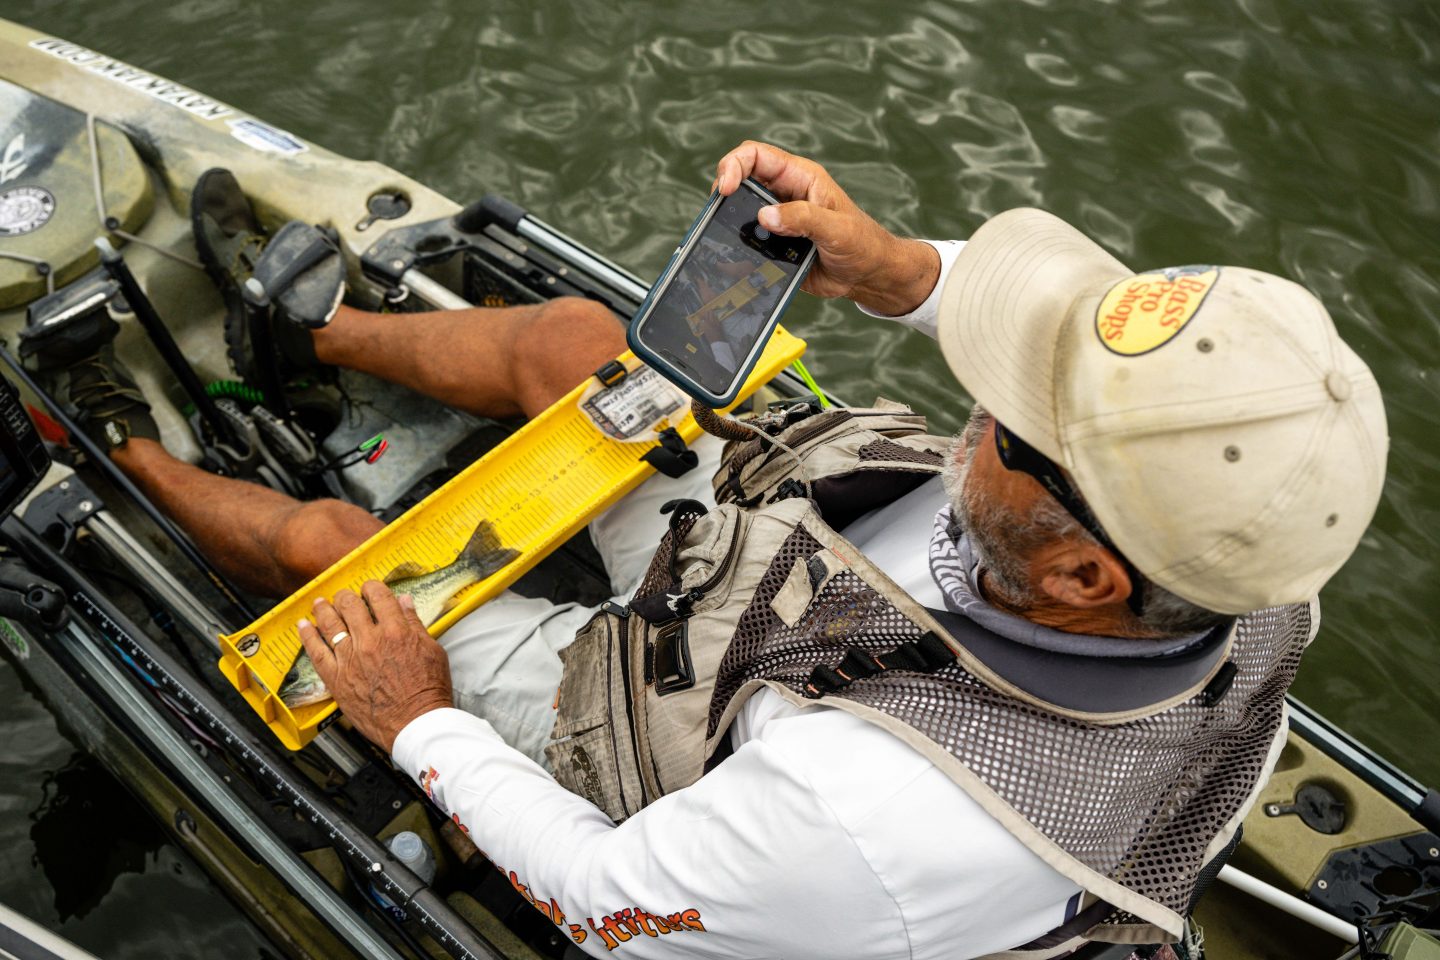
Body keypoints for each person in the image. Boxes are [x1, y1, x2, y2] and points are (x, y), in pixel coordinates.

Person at [61, 143, 1387, 959]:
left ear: (1085, 577)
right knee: (581, 343)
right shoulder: (1260, 535)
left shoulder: (869, 825)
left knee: (354, 570)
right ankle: (309, 333)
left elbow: (600, 897)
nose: (975, 407)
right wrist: (896, 271)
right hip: (795, 570)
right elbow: (1054, 348)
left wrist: (414, 723)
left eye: (1009, 424)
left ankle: (116, 445)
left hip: (701, 732)